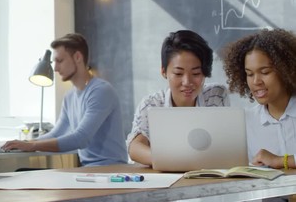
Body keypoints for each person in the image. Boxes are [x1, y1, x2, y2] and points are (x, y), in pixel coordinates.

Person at [2, 33, 128, 166]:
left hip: (111, 169)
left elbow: (81, 138)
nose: (55, 68)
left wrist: (32, 145)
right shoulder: (70, 96)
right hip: (89, 169)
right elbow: (56, 133)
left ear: (78, 57)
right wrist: (25, 144)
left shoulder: (101, 91)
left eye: (60, 61)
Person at [127, 30, 230, 166]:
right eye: (178, 73)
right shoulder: (151, 104)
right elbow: (135, 148)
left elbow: (225, 144)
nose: (187, 82)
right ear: (164, 72)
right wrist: (174, 161)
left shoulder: (216, 95)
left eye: (196, 73)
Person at [223, 28, 296, 169]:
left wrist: (281, 161)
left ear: (286, 70)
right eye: (249, 74)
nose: (256, 81)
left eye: (265, 72)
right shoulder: (245, 122)